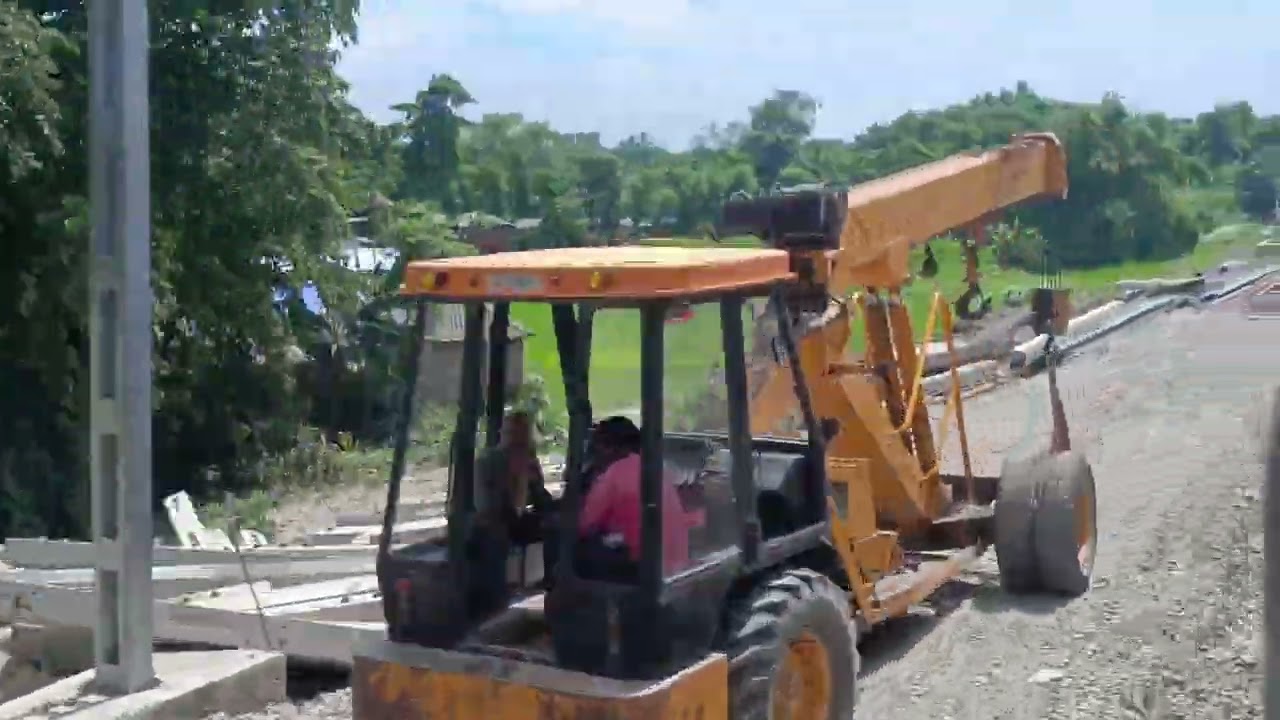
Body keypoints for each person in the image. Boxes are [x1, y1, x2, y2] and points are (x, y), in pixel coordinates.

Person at [577, 416, 693, 577]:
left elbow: (584, 524)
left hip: (644, 569)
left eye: (596, 448)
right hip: (673, 563)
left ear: (610, 447)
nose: (596, 455)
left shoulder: (615, 473)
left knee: (572, 546)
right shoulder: (655, 467)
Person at [474, 411, 556, 544]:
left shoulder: (529, 460)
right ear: (504, 436)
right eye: (513, 434)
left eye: (525, 436)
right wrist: (516, 483)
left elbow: (543, 503)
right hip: (491, 531)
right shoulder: (486, 465)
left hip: (518, 525)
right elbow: (489, 510)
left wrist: (533, 484)